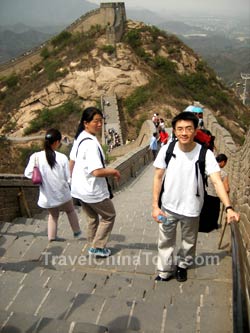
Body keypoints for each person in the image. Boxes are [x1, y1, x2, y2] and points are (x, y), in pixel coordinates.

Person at [152, 111, 239, 282]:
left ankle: (183, 265)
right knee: (165, 241)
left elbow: (217, 181)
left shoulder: (204, 154)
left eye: (188, 129)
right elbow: (157, 177)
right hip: (168, 207)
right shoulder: (167, 150)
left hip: (192, 209)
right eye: (180, 129)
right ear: (175, 131)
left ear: (195, 130)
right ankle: (164, 270)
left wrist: (228, 208)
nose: (184, 133)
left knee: (189, 242)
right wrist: (155, 206)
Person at [69, 107, 121, 258]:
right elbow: (96, 171)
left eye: (101, 121)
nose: (99, 124)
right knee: (109, 215)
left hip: (79, 189)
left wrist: (71, 180)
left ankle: (92, 242)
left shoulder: (80, 137)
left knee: (92, 218)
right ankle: (97, 247)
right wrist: (114, 171)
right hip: (91, 190)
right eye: (95, 121)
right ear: (86, 123)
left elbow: (71, 161)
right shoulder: (90, 144)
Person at [24, 128, 81, 242]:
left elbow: (28, 173)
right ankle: (77, 233)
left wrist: (42, 178)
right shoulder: (62, 157)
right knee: (70, 211)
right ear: (56, 142)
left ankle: (52, 237)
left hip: (47, 194)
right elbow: (67, 177)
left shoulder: (36, 157)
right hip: (62, 193)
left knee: (53, 216)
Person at [199, 153, 230, 232]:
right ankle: (211, 227)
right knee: (213, 213)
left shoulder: (207, 169)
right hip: (215, 196)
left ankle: (201, 226)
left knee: (204, 211)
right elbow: (226, 189)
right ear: (223, 162)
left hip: (204, 194)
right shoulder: (223, 174)